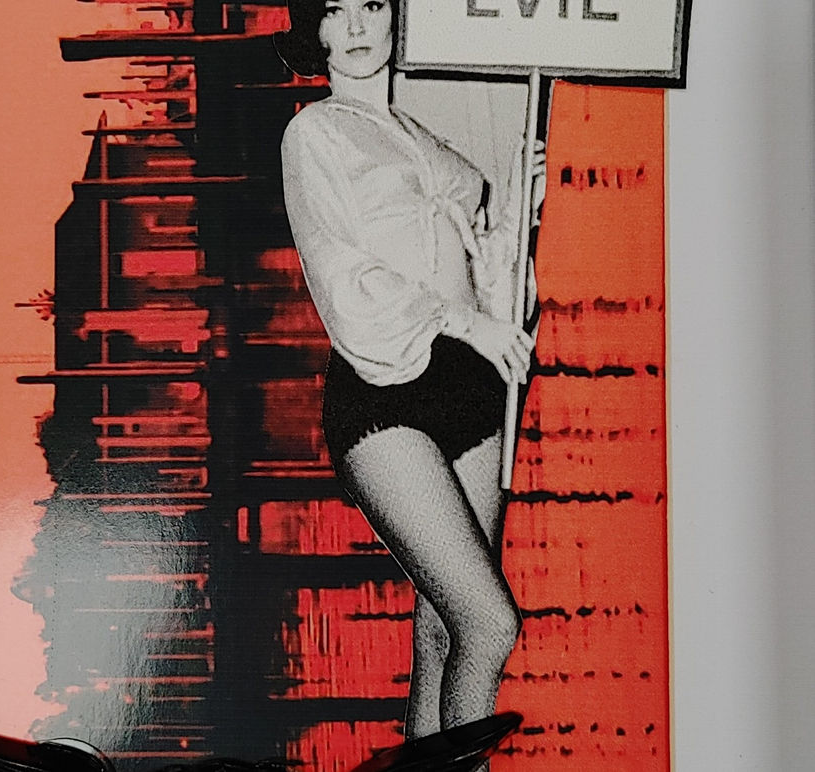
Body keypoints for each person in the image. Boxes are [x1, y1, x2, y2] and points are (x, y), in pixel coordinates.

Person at [276, 0, 543, 756]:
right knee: (489, 624)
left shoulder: (427, 143)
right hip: (382, 392)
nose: (359, 28)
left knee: (440, 628)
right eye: (337, 11)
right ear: (315, 31)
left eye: (372, 6)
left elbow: (491, 290)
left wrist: (517, 209)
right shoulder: (314, 133)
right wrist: (469, 323)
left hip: (471, 392)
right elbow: (342, 275)